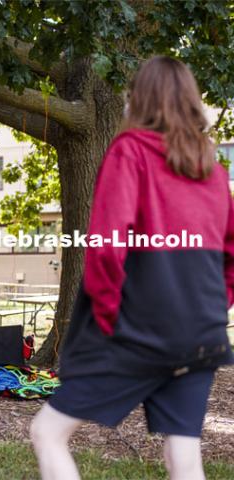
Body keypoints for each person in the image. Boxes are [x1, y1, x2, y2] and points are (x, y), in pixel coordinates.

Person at [30, 56, 234, 480]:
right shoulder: (214, 172)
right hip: (201, 332)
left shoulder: (130, 152)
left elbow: (106, 247)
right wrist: (215, 305)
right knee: (184, 455)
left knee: (47, 432)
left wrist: (109, 320)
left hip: (138, 329)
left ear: (139, 99)